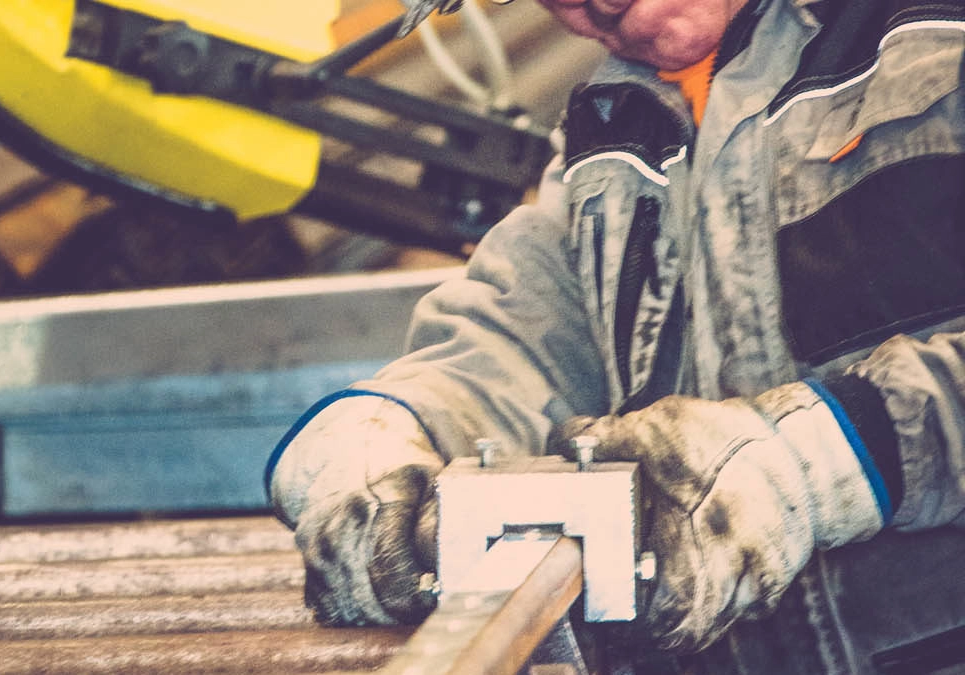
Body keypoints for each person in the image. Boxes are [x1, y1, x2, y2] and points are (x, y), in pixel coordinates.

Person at [266, 0, 965, 671]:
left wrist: (820, 461)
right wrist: (376, 430)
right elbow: (520, 337)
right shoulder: (614, 131)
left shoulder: (934, 32)